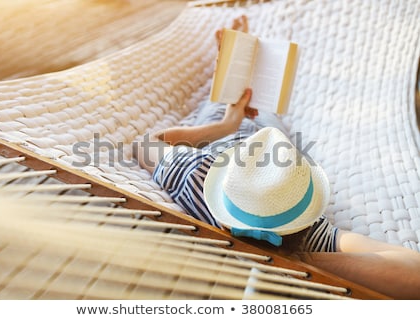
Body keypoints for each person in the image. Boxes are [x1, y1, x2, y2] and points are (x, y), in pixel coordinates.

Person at [133, 16, 420, 299]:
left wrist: (224, 126)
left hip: (222, 132)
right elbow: (414, 275)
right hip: (270, 136)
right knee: (260, 99)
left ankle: (232, 55)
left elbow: (146, 144)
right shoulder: (308, 233)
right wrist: (297, 260)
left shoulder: (197, 175)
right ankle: (236, 52)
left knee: (228, 95)